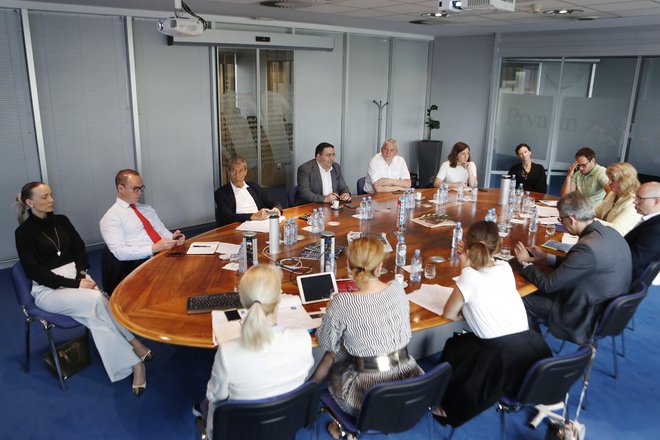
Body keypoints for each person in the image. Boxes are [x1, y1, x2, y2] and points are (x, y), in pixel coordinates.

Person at [15, 182, 152, 395]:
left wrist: (81, 276)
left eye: (51, 195)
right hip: (48, 290)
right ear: (30, 202)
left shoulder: (62, 221)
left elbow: (80, 250)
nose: (51, 200)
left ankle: (134, 356)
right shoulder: (23, 233)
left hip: (77, 279)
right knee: (99, 300)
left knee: (95, 316)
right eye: (44, 197)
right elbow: (35, 272)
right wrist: (76, 284)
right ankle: (135, 354)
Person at [438, 221, 551, 427]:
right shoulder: (505, 267)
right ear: (498, 246)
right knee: (461, 345)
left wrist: (465, 270)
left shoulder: (468, 277)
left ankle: (445, 404)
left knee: (455, 347)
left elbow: (448, 314)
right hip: (532, 346)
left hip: (500, 359)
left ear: (467, 246)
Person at [312, 237, 423, 437]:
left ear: (348, 266)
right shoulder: (397, 289)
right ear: (379, 267)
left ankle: (308, 396)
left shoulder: (343, 302)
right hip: (411, 383)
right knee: (349, 345)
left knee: (334, 352)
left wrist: (330, 312)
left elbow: (326, 342)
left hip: (366, 397)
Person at [201, 264, 314, 439]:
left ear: (243, 301)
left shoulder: (227, 352)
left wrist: (210, 435)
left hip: (242, 431)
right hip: (286, 426)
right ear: (279, 298)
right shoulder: (303, 340)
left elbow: (216, 400)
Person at [515, 191, 632, 344]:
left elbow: (548, 285)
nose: (561, 222)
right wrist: (545, 257)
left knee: (519, 299)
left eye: (561, 219)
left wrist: (525, 263)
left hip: (583, 312)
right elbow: (579, 264)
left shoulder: (588, 248)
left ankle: (533, 347)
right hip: (604, 302)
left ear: (571, 220)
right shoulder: (607, 232)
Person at [99, 169, 185, 294]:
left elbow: (161, 230)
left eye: (141, 188)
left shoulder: (146, 209)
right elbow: (120, 252)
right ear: (121, 188)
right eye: (135, 189)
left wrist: (174, 238)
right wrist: (153, 248)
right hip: (141, 264)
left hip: (164, 255)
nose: (139, 193)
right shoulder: (111, 218)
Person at [214, 155, 282, 227]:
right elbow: (227, 217)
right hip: (237, 228)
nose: (237, 175)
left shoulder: (254, 187)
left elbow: (271, 202)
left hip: (260, 224)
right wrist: (253, 216)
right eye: (234, 171)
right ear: (228, 172)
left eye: (241, 171)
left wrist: (276, 208)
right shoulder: (221, 193)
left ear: (245, 172)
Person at [625, 181, 660, 283]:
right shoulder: (652, 222)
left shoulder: (656, 230)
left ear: (657, 201)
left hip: (622, 281)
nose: (635, 202)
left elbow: (632, 261)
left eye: (640, 199)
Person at [594, 162, 641, 236]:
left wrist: (588, 221)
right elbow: (595, 213)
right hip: (602, 236)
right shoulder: (613, 194)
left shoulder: (634, 202)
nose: (609, 183)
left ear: (625, 181)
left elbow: (617, 230)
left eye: (612, 180)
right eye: (609, 179)